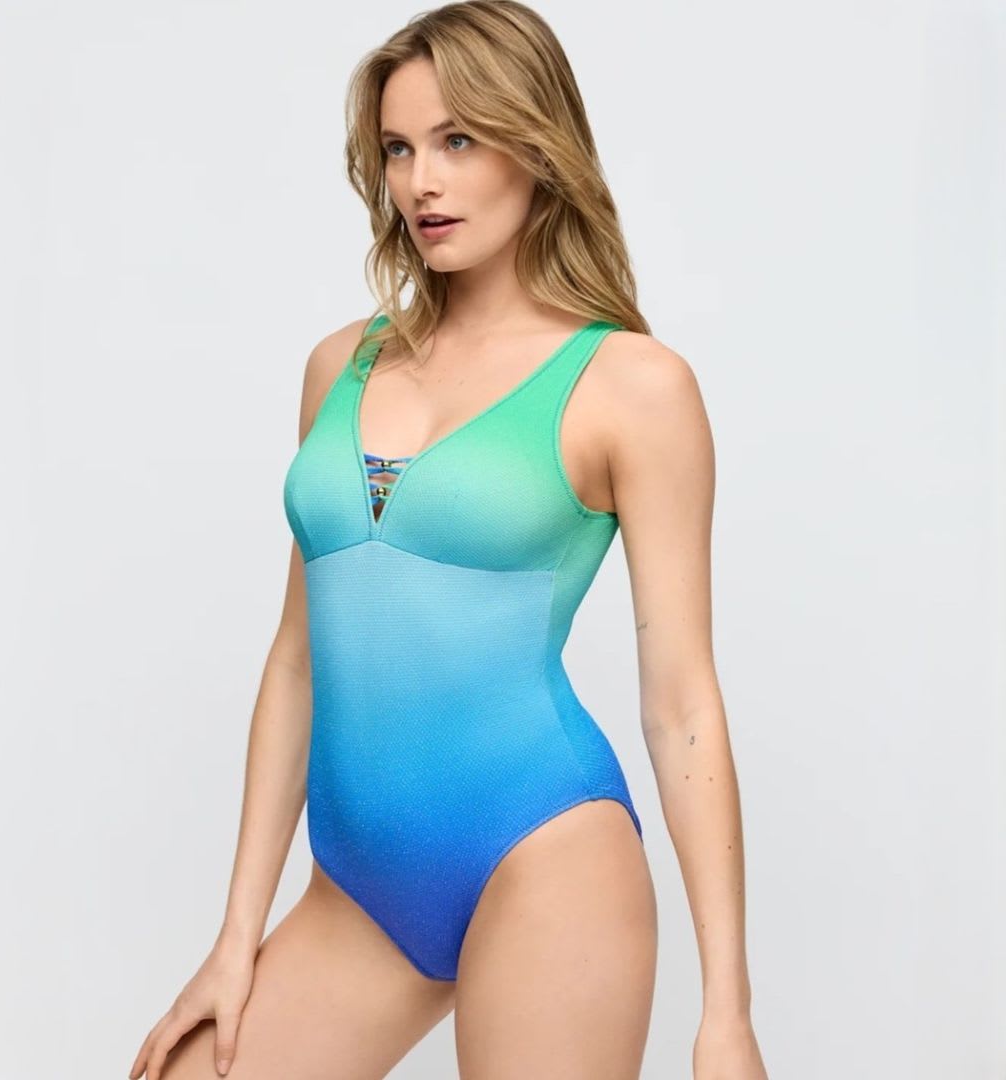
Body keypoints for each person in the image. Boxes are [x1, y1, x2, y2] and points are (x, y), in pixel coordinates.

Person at [129, 2, 768, 1077]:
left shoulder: (633, 387)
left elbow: (682, 703)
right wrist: (236, 938)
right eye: (398, 148)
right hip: (358, 893)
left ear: (537, 142)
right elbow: (296, 661)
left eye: (459, 140)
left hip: (546, 856)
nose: (422, 181)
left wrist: (727, 1013)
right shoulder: (340, 366)